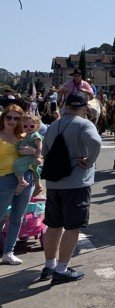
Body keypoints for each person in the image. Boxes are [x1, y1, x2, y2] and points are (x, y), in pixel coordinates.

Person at [40, 91, 103, 284]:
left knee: (53, 225)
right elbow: (96, 141)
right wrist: (90, 161)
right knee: (72, 227)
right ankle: (62, 270)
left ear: (66, 106)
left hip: (54, 184)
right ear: (84, 108)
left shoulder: (53, 125)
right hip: (76, 183)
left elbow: (44, 151)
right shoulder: (85, 124)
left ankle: (49, 266)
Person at [0, 105, 37, 266]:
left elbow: (40, 158)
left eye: (16, 118)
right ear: (3, 118)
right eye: (9, 117)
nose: (12, 121)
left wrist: (34, 152)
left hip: (25, 178)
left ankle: (8, 252)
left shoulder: (25, 135)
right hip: (4, 179)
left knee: (17, 218)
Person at [13, 113, 43, 196]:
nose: (28, 128)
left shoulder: (35, 135)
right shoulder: (27, 135)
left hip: (31, 156)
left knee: (16, 165)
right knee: (35, 169)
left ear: (37, 126)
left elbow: (39, 146)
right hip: (28, 156)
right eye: (25, 126)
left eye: (32, 126)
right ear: (22, 127)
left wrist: (38, 157)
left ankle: (22, 182)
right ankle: (38, 185)